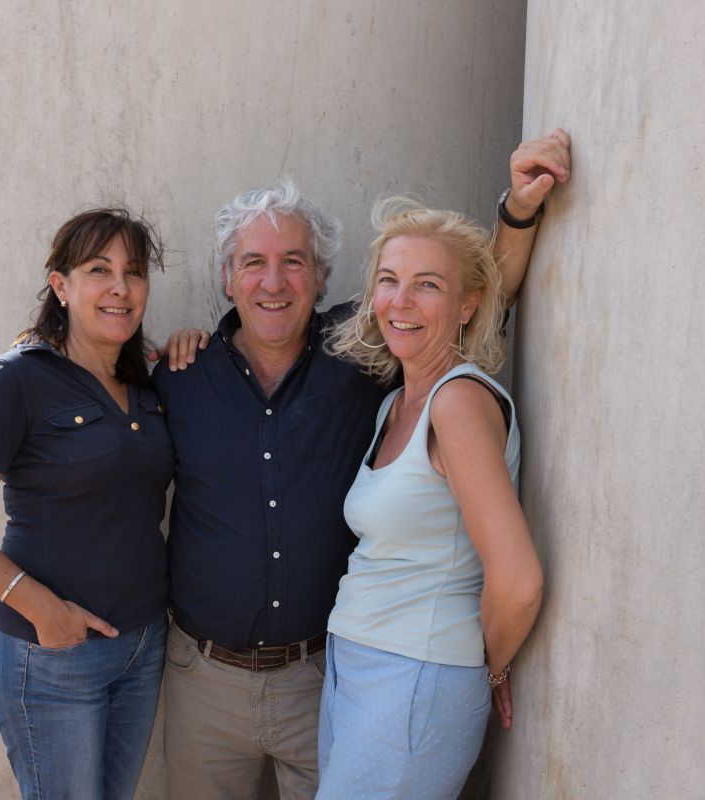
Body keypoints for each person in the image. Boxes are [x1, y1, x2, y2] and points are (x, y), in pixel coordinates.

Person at [154, 129, 570, 800]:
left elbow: (470, 289)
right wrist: (22, 582)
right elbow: (105, 465)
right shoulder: (180, 376)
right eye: (252, 262)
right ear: (227, 278)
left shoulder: (361, 356)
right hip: (212, 680)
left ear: (322, 277)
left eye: (294, 261)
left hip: (327, 675)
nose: (272, 282)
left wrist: (518, 212)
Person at [0, 209, 172, 800]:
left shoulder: (147, 385)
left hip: (142, 646)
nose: (120, 287)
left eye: (134, 272)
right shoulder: (17, 380)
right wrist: (40, 608)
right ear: (61, 286)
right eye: (99, 270)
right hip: (53, 656)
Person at [315, 198, 542, 798]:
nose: (401, 301)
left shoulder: (457, 402)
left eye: (428, 285)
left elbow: (518, 581)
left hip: (415, 676)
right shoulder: (396, 403)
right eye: (389, 280)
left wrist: (486, 667)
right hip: (358, 664)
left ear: (468, 305)